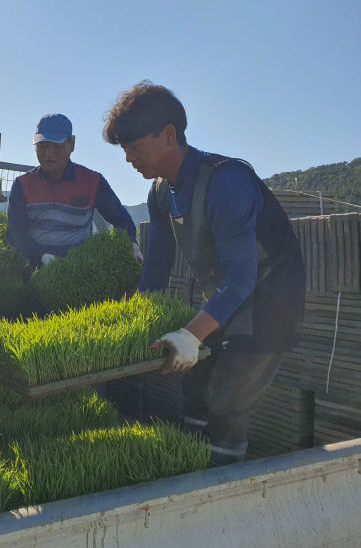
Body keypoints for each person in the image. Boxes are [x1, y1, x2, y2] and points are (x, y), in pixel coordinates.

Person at [103, 82, 305, 465]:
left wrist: (191, 333)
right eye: (123, 148)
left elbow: (244, 277)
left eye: (133, 145)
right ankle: (189, 465)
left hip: (270, 300)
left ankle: (219, 483)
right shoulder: (161, 193)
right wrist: (136, 319)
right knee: (196, 385)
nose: (128, 157)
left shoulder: (225, 180)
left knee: (229, 398)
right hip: (226, 295)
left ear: (168, 134)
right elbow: (157, 268)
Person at [7, 113, 140, 269]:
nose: (48, 154)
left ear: (72, 145)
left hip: (79, 270)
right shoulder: (22, 185)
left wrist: (132, 243)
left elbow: (120, 218)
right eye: (42, 146)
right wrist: (41, 257)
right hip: (34, 269)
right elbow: (15, 233)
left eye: (56, 146)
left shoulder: (92, 181)